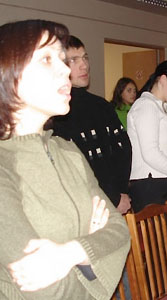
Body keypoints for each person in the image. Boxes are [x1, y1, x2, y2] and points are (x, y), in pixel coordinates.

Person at [0, 19, 130, 300]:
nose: (65, 69)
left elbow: (120, 231)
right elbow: (44, 289)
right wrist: (91, 248)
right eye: (47, 59)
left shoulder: (67, 151)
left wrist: (70, 252)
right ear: (5, 76)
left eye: (62, 59)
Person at [52, 36, 132, 215]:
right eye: (74, 60)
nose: (84, 65)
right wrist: (112, 197)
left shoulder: (101, 105)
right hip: (83, 207)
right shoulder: (55, 112)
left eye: (85, 58)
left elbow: (122, 148)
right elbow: (75, 167)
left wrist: (120, 193)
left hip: (116, 199)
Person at [127, 59, 167, 276]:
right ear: (163, 79)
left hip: (163, 183)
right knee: (163, 255)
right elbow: (151, 153)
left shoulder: (158, 108)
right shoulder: (145, 107)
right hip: (152, 185)